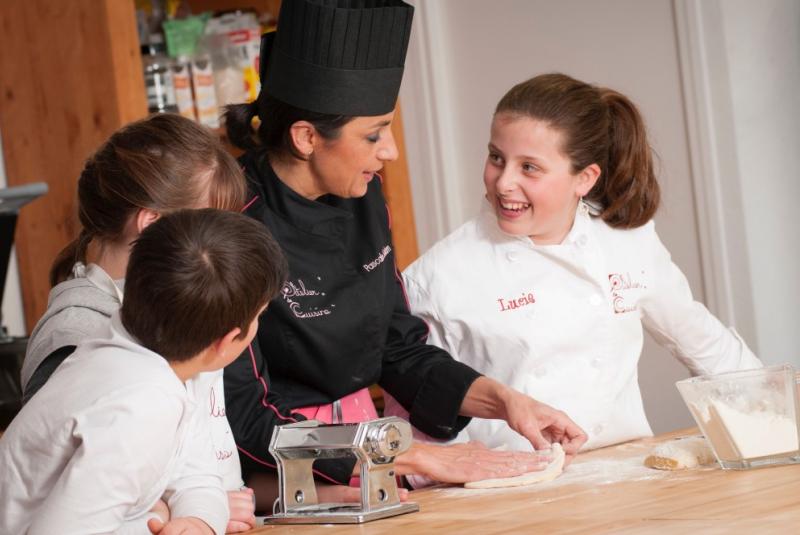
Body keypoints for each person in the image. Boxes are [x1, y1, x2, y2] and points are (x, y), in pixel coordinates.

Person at [223, 0, 586, 501]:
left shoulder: (363, 195)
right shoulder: (229, 225)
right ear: (306, 137)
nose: (390, 150)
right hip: (276, 480)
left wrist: (503, 400)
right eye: (373, 134)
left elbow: (395, 346)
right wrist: (406, 454)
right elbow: (245, 417)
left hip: (368, 451)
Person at [391, 73, 763, 452]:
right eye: (496, 158)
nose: (503, 182)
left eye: (529, 167)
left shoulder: (627, 241)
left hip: (626, 469)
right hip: (511, 488)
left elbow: (704, 343)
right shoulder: (437, 276)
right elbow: (416, 417)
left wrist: (772, 419)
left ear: (584, 178)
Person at [19, 114, 256, 532]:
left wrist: (202, 511)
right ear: (152, 226)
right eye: (213, 226)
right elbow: (82, 500)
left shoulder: (172, 319)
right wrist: (164, 514)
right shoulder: (81, 337)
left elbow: (189, 458)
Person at [0, 209, 287, 534]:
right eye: (259, 315)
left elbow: (198, 473)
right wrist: (151, 520)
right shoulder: (137, 404)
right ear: (228, 341)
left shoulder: (161, 366)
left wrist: (199, 520)